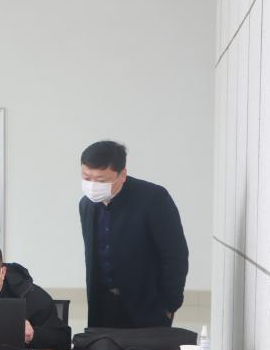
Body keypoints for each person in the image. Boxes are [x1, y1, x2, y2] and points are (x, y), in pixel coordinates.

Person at [79, 140, 189, 330]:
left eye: (101, 180)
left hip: (147, 306)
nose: (93, 185)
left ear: (122, 175)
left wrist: (170, 305)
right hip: (102, 306)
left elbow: (175, 254)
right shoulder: (86, 204)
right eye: (87, 178)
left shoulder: (153, 198)